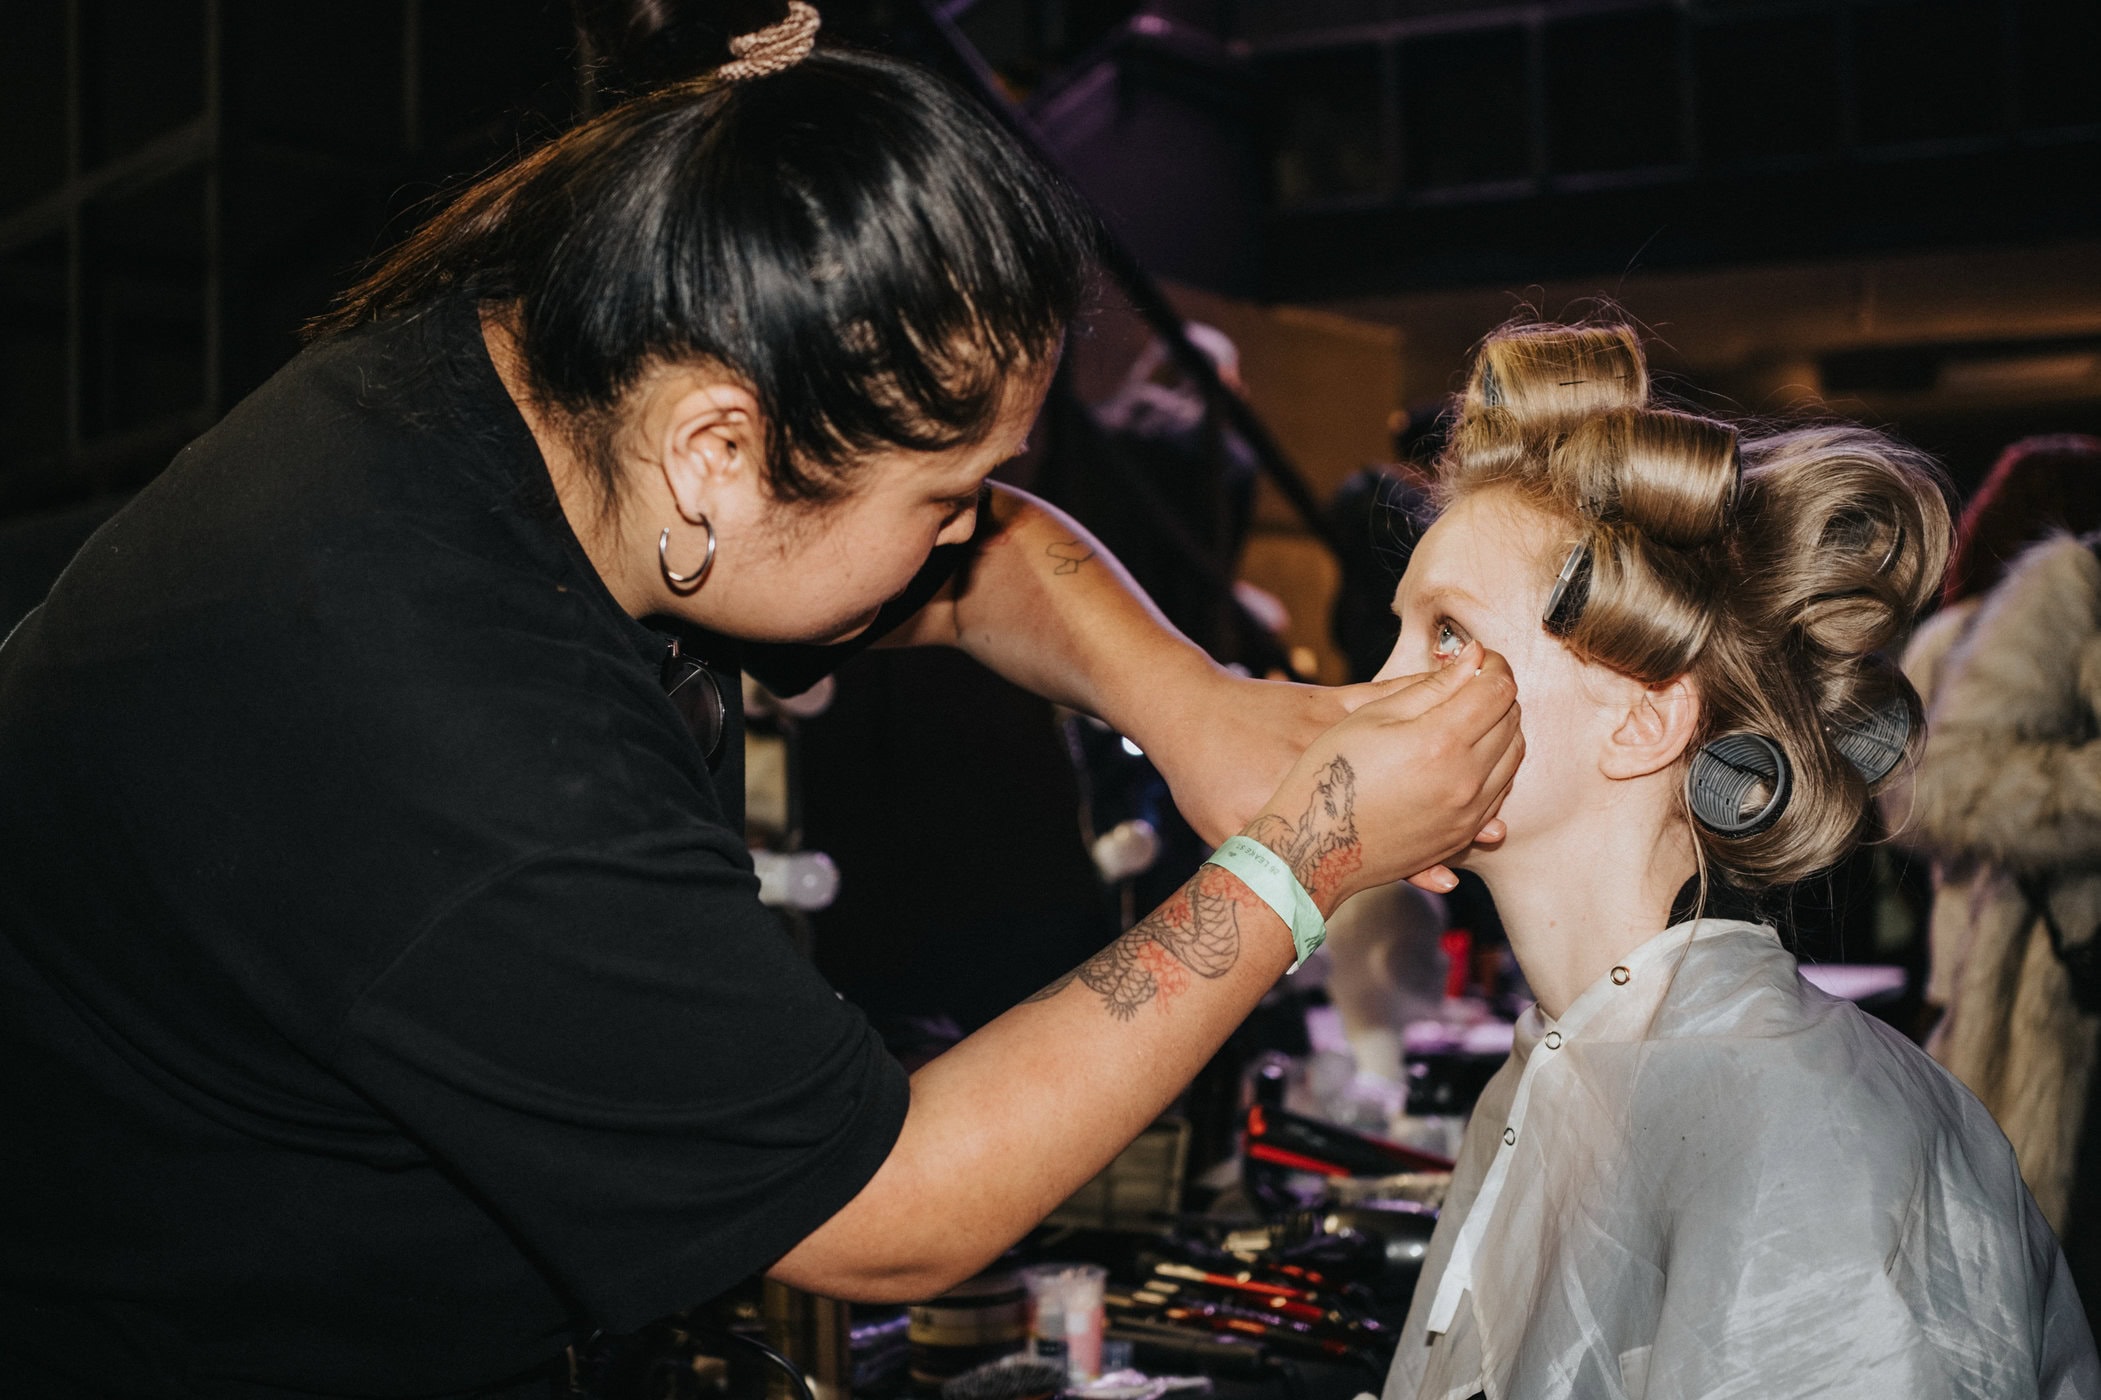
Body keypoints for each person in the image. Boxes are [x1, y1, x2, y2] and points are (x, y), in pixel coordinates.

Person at [0, 10, 1525, 1398]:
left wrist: (1190, 705)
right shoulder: (453, 729)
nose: (966, 530)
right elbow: (887, 1207)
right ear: (718, 454)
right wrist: (1292, 864)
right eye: (942, 492)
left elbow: (974, 567)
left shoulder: (565, 369)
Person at [1373, 322, 2098, 1398]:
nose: (1373, 691)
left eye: (1446, 633)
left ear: (1642, 719)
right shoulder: (1548, 1077)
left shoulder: (1808, 1132)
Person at [1885, 433, 2101, 1330]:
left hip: (1978, 959)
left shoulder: (1953, 630)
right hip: (2009, 970)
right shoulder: (2026, 612)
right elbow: (1923, 792)